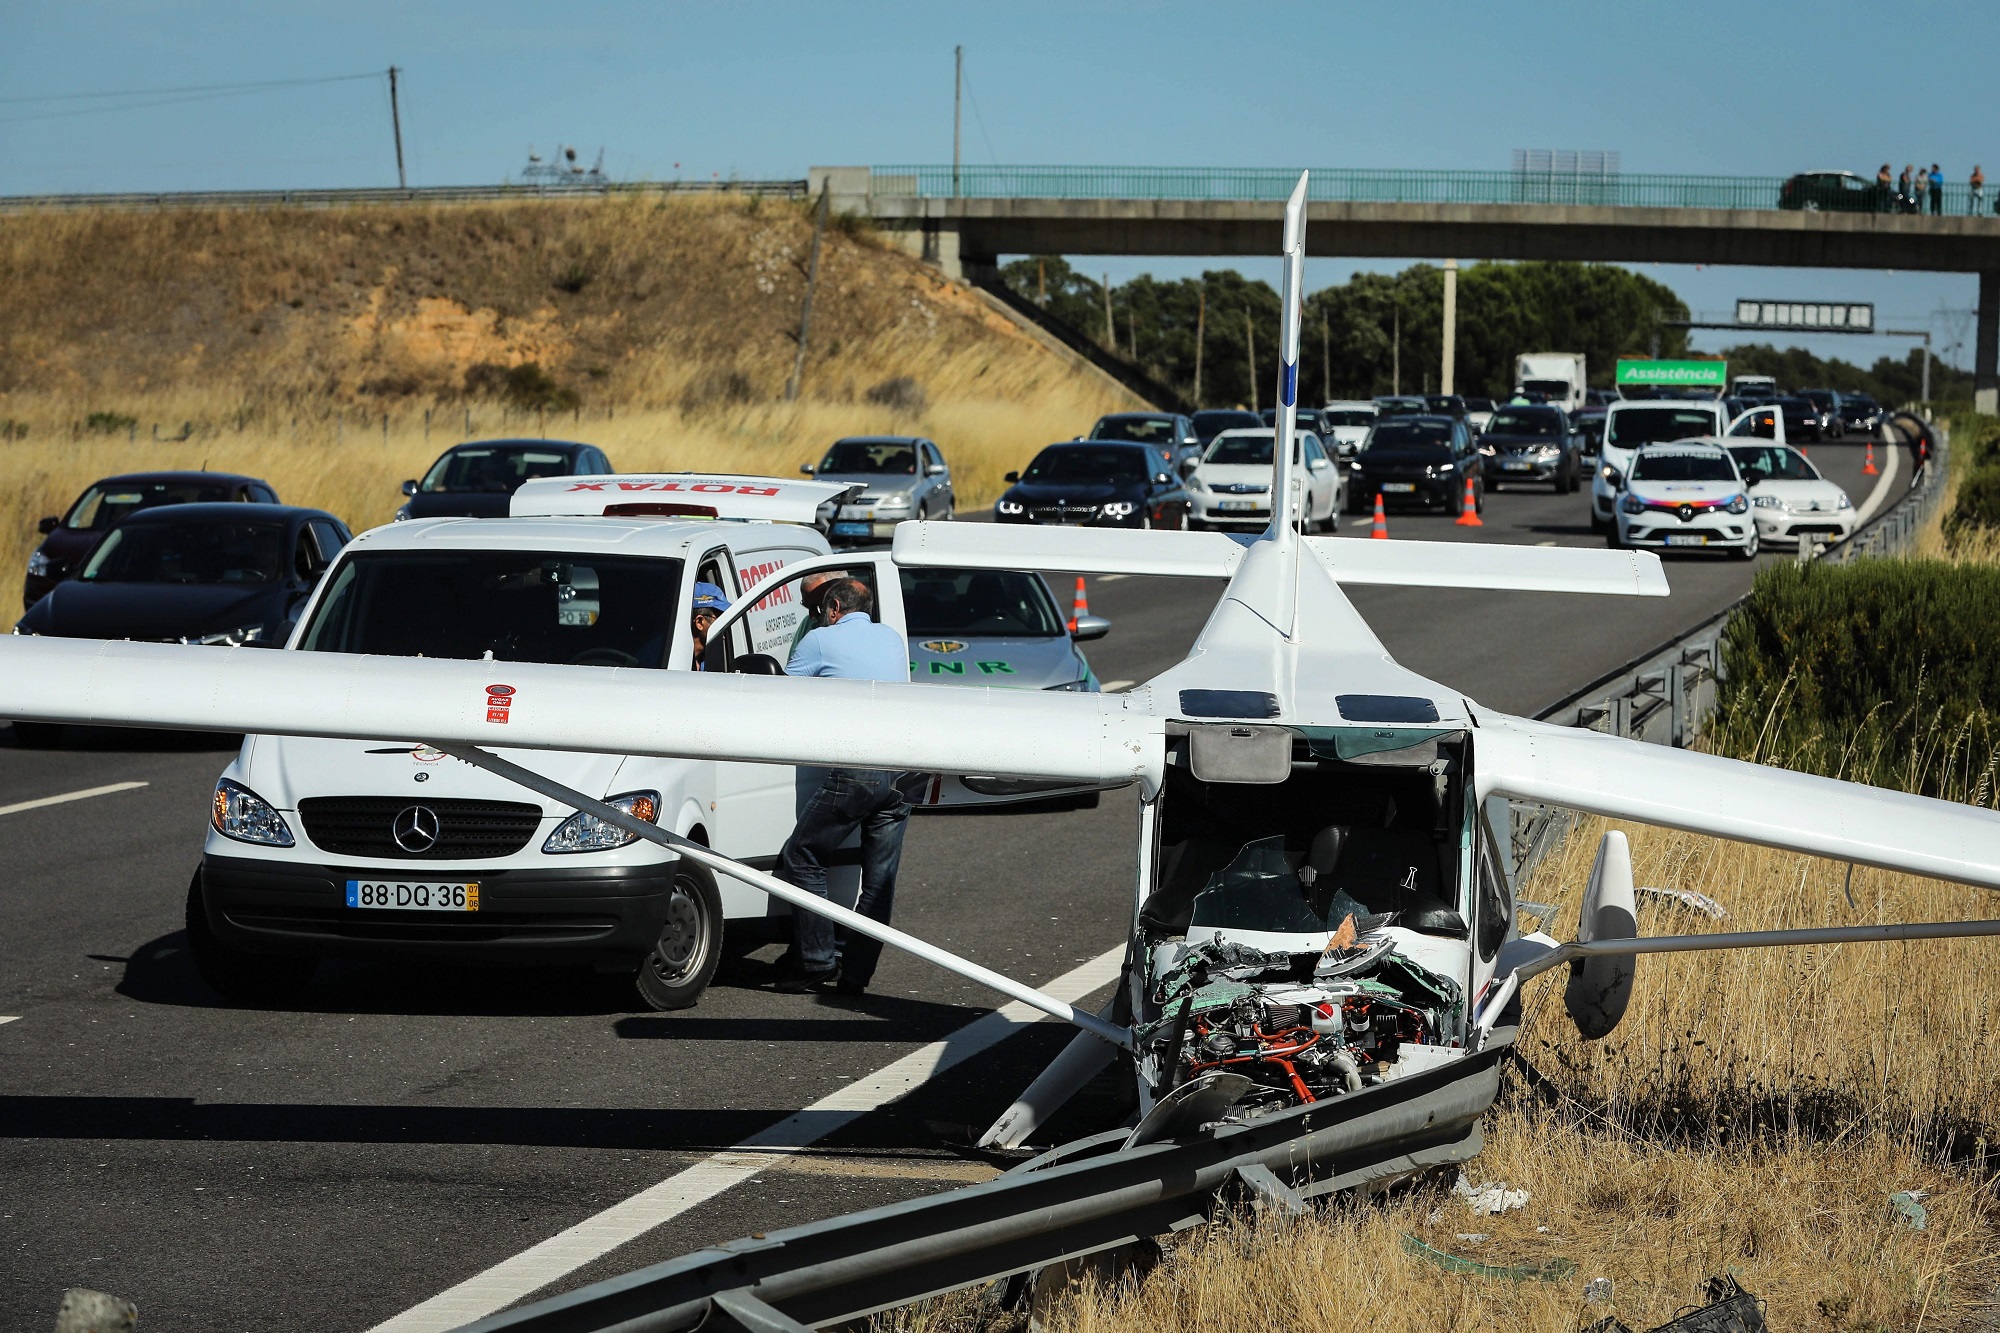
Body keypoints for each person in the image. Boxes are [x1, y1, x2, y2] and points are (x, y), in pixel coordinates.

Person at [771, 577, 914, 996]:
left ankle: (815, 961)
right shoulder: (891, 638)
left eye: (819, 611)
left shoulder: (819, 640)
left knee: (803, 855)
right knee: (879, 882)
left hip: (858, 768)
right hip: (904, 772)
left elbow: (778, 698)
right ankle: (854, 977)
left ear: (833, 608)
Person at [688, 582, 729, 668]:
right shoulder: (675, 663)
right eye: (720, 620)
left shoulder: (711, 659)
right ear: (699, 623)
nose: (725, 626)